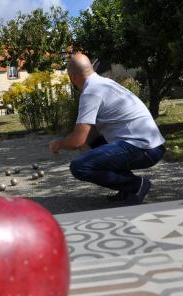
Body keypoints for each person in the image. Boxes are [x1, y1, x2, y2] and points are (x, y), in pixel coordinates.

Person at [49, 53, 166, 204]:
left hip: (144, 149)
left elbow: (76, 140)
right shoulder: (104, 83)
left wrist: (59, 144)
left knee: (80, 166)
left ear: (72, 77)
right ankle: (127, 189)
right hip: (151, 145)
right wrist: (87, 149)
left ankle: (135, 185)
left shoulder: (90, 92)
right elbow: (86, 136)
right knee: (93, 145)